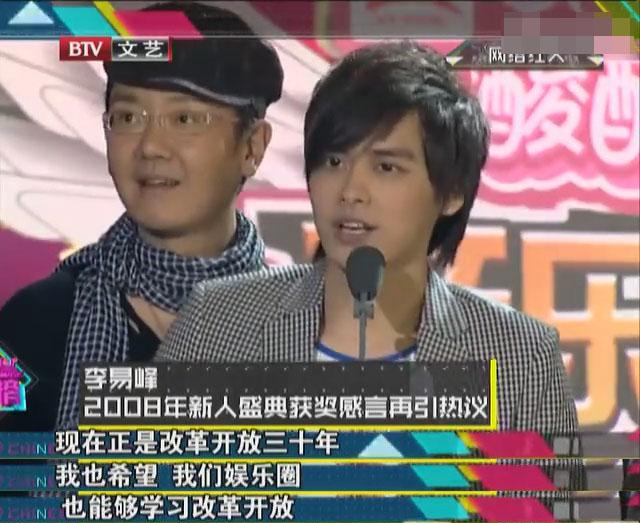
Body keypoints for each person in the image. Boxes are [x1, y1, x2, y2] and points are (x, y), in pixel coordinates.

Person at [157, 40, 578, 433]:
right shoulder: (216, 324)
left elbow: (547, 492)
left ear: (452, 192)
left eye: (386, 167)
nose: (350, 191)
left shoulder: (522, 359)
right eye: (333, 161)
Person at [0, 2, 283, 430]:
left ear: (252, 147)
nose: (150, 146)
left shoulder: (305, 328)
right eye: (128, 117)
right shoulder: (32, 322)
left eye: (184, 118)